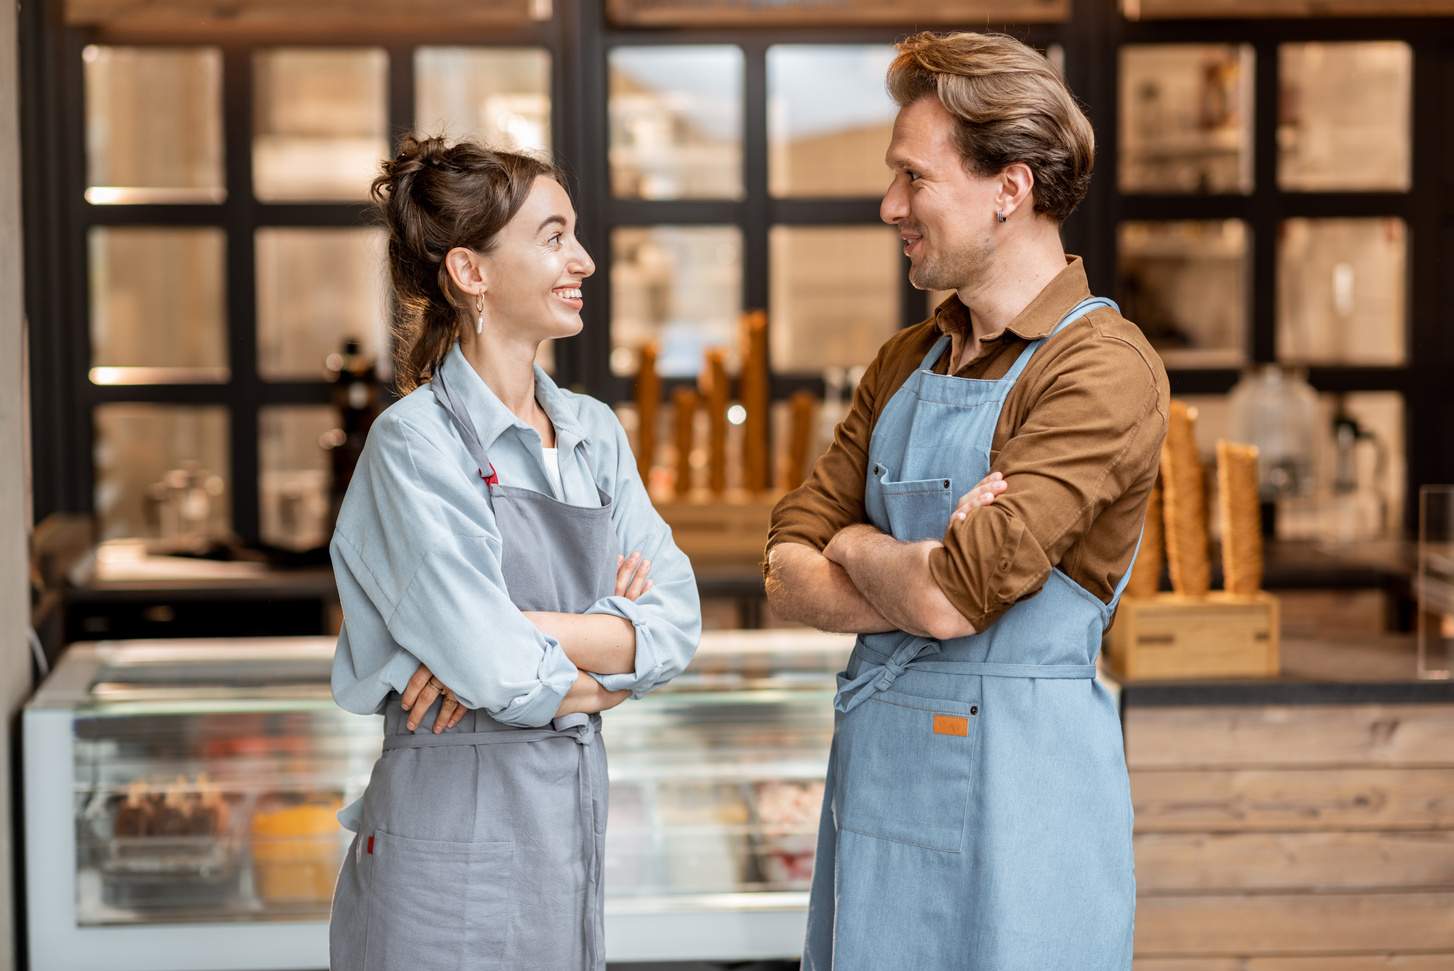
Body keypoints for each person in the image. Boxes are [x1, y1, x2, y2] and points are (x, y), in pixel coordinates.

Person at [765, 32, 1169, 970]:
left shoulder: (1099, 369)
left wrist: (859, 545)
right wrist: (912, 563)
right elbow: (786, 567)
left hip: (1023, 818)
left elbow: (954, 599)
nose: (889, 205)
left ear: (1009, 187)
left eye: (913, 177)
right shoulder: (905, 360)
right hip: (877, 804)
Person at [327, 136, 701, 970]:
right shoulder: (413, 445)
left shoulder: (593, 433)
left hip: (563, 831)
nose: (586, 260)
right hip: (444, 842)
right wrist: (608, 663)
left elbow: (676, 623)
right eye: (554, 236)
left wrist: (515, 626)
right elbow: (498, 668)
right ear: (471, 271)